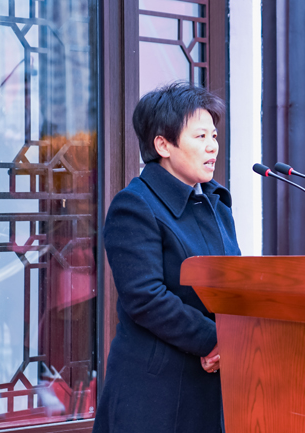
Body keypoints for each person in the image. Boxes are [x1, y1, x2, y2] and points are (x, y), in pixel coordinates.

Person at [92, 82, 240, 433]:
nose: (212, 146)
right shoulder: (135, 205)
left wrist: (238, 337)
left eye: (214, 136)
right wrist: (215, 340)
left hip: (214, 383)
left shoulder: (216, 203)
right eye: (200, 136)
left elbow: (234, 281)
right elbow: (146, 297)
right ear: (163, 145)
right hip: (156, 391)